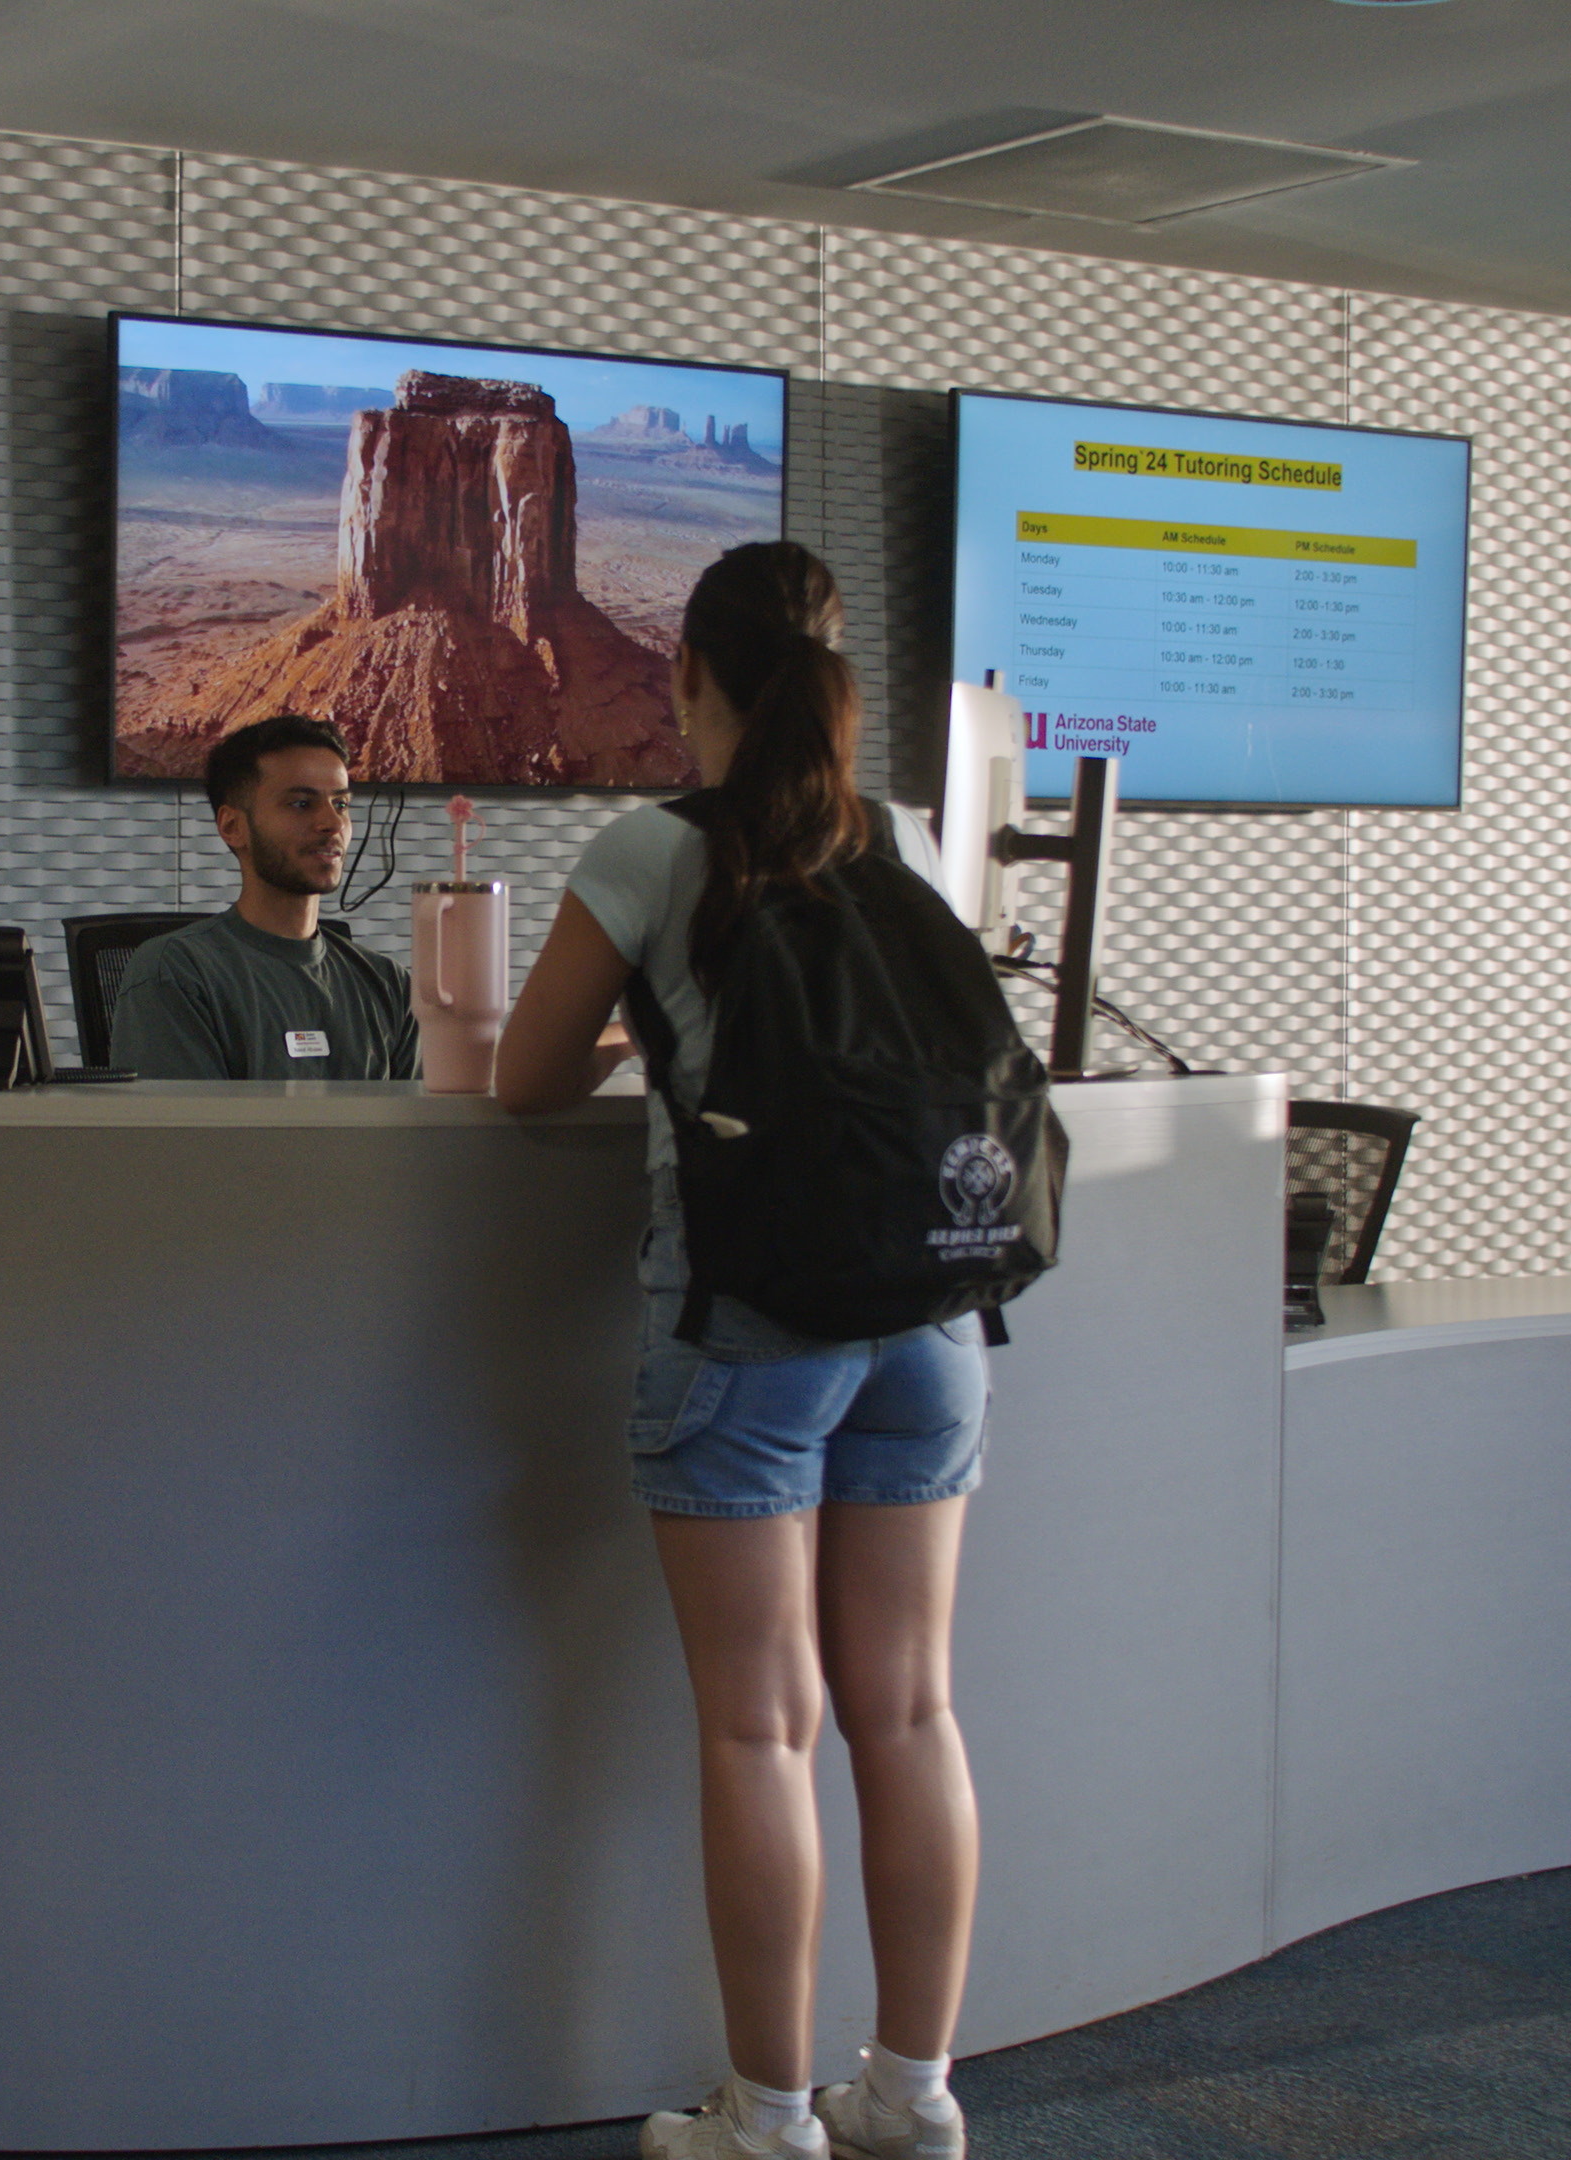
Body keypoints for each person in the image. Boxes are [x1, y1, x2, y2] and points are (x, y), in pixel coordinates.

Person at [493, 542, 979, 2160]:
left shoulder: (649, 847)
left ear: (689, 677)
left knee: (759, 1726)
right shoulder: (904, 835)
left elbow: (527, 1079)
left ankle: (769, 2116)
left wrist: (654, 1023)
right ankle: (908, 2094)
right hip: (928, 1324)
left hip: (747, 1330)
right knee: (908, 1713)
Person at [109, 713, 421, 1082]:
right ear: (232, 827)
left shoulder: (388, 984)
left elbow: (419, 1130)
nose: (333, 824)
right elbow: (184, 1135)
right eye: (301, 804)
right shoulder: (177, 973)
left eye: (341, 804)